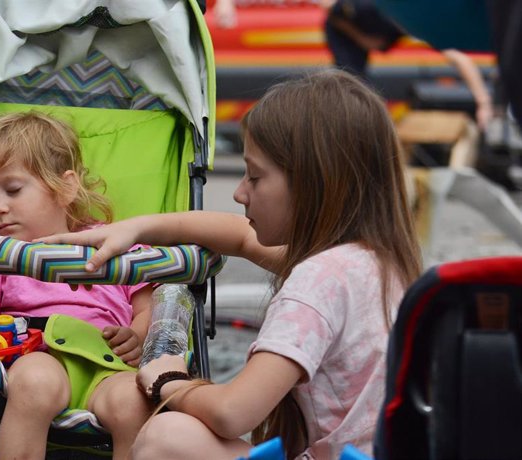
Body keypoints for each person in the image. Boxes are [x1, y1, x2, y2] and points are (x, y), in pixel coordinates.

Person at [38, 70, 423, 459]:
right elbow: (238, 236)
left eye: (255, 176)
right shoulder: (376, 263)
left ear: (313, 184)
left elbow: (232, 412)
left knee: (167, 436)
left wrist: (168, 380)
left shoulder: (318, 279)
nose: (240, 192)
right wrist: (135, 228)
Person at [0, 112, 154, 460]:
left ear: (65, 187)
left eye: (13, 189)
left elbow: (148, 305)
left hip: (110, 364)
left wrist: (138, 335)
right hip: (36, 356)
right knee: (35, 384)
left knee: (134, 403)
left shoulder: (111, 244)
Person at [321, 0, 493, 130]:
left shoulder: (414, 22)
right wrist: (360, 37)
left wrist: (483, 103)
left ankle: (359, 122)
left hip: (377, 25)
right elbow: (334, 11)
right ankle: (345, 124)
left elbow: (460, 59)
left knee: (356, 86)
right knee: (349, 82)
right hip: (347, 26)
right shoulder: (365, 10)